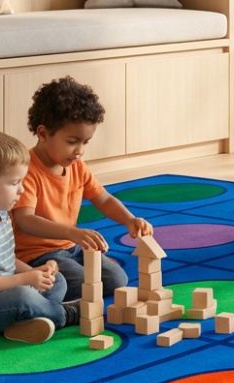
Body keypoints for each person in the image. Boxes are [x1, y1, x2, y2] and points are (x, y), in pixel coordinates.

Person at [12, 76, 153, 300]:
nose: (79, 151)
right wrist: (72, 233)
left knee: (117, 279)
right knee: (81, 283)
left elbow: (103, 199)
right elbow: (24, 219)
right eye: (72, 141)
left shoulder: (76, 165)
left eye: (85, 142)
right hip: (36, 256)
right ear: (42, 133)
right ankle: (26, 288)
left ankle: (58, 290)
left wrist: (129, 219)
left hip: (72, 247)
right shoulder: (25, 171)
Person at [0, 129, 80, 344]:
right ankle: (63, 315)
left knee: (57, 281)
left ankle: (24, 322)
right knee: (21, 296)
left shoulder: (0, 213)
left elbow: (6, 259)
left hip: (1, 294)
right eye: (13, 183)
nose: (21, 190)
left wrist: (33, 272)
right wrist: (24, 280)